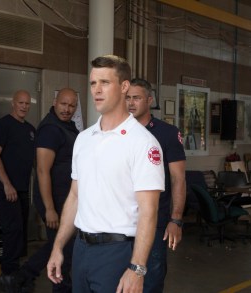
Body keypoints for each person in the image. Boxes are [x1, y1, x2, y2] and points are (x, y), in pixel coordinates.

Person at [47, 55, 165, 293]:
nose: (96, 90)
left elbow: (149, 211)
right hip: (81, 250)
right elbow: (74, 196)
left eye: (105, 82)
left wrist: (137, 268)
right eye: (93, 83)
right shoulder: (84, 139)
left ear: (124, 87)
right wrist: (58, 246)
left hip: (117, 254)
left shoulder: (143, 143)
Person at [126, 78, 187, 293]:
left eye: (136, 98)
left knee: (150, 282)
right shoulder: (118, 132)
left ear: (149, 100)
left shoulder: (167, 133)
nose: (131, 103)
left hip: (155, 221)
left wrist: (176, 219)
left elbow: (178, 179)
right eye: (127, 98)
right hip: (120, 223)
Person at [19, 88, 79, 292]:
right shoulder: (50, 130)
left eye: (71, 105)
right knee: (65, 250)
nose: (67, 109)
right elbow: (42, 171)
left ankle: (23, 275)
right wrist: (49, 208)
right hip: (54, 200)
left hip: (66, 199)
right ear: (55, 102)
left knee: (59, 245)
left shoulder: (68, 127)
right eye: (63, 104)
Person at [0, 90, 36, 293]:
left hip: (23, 190)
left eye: (27, 103)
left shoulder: (31, 130)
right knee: (12, 231)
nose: (24, 106)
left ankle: (16, 273)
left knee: (21, 232)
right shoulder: (2, 125)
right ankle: (8, 275)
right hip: (5, 190)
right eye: (20, 103)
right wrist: (7, 184)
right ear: (13, 103)